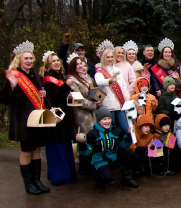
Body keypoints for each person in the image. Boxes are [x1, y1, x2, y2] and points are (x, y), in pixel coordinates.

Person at [6, 41, 50, 195]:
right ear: (19, 59)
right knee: (26, 151)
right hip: (23, 119)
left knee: (36, 149)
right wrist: (9, 87)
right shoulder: (14, 76)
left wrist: (43, 94)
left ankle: (37, 180)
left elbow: (39, 94)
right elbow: (6, 97)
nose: (29, 61)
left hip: (37, 118)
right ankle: (28, 184)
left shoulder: (35, 75)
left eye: (31, 58)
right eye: (26, 58)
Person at [77, 108, 139, 189]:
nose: (107, 121)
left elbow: (123, 146)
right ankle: (99, 177)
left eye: (109, 118)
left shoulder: (115, 131)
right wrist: (82, 143)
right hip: (99, 162)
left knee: (130, 154)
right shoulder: (92, 134)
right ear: (99, 121)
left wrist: (129, 136)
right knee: (108, 179)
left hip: (113, 158)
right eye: (104, 119)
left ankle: (126, 179)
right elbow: (86, 153)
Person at [41, 51, 77, 186]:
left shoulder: (59, 76)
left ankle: (68, 171)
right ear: (48, 65)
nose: (56, 63)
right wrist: (66, 86)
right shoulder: (48, 79)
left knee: (65, 144)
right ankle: (60, 175)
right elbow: (55, 99)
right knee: (58, 145)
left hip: (65, 115)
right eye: (53, 61)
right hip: (57, 116)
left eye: (58, 61)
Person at [94, 40, 130, 135]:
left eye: (111, 57)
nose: (110, 59)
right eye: (107, 57)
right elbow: (99, 81)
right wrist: (110, 81)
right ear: (103, 58)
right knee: (111, 131)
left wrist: (128, 101)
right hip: (107, 106)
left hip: (119, 105)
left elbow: (123, 87)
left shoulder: (117, 70)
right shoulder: (99, 70)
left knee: (125, 129)